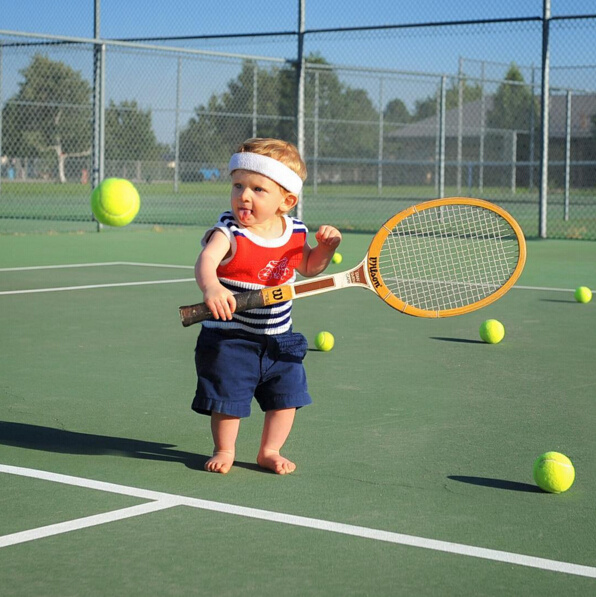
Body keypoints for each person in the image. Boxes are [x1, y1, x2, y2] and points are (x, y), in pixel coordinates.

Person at [192, 137, 342, 475]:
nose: (244, 195)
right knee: (228, 401)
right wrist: (211, 285)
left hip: (279, 337)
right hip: (230, 339)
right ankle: (225, 448)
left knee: (288, 397)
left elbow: (309, 267)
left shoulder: (295, 232)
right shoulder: (228, 231)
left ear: (286, 201)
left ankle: (269, 451)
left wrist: (326, 250)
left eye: (258, 189)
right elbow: (206, 261)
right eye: (238, 185)